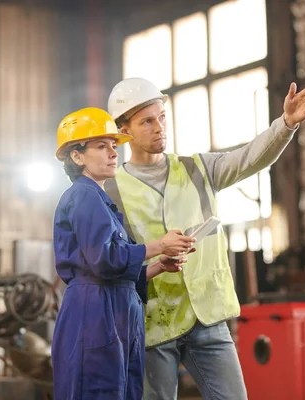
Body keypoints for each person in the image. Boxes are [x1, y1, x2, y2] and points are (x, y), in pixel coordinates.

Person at [104, 78, 305, 400]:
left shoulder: (198, 169)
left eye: (162, 117)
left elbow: (249, 158)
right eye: (147, 121)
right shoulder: (111, 190)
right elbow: (112, 257)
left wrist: (285, 124)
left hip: (208, 316)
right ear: (124, 130)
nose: (159, 127)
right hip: (153, 322)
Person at [51, 107, 196, 400]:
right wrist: (160, 245)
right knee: (98, 391)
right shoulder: (85, 195)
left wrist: (157, 266)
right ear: (77, 156)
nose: (113, 153)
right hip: (95, 314)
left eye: (114, 146)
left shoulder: (100, 200)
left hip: (111, 309)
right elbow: (104, 260)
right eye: (101, 146)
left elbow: (112, 266)